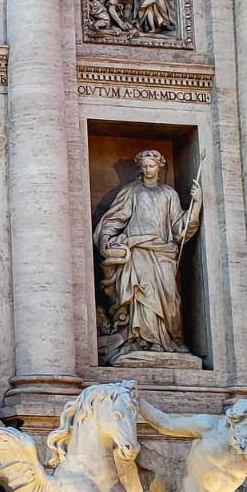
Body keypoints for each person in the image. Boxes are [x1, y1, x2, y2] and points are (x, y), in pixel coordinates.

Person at [94, 148, 201, 356]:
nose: (147, 170)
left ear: (159, 167)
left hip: (163, 254)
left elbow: (181, 227)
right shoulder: (132, 191)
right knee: (142, 295)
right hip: (138, 252)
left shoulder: (169, 194)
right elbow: (115, 219)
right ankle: (142, 339)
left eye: (151, 166)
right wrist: (106, 238)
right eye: (143, 167)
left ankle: (166, 339)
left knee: (168, 297)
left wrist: (196, 203)